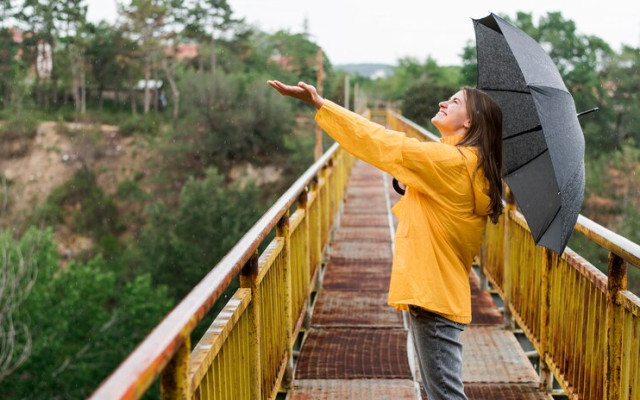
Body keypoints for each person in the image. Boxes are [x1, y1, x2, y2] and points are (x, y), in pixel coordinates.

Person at [267, 80, 503, 400]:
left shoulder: (451, 162)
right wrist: (411, 180)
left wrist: (322, 105)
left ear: (469, 121)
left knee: (445, 395)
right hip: (438, 290)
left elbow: (383, 141)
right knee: (441, 391)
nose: (444, 103)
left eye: (455, 102)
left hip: (432, 293)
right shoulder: (466, 162)